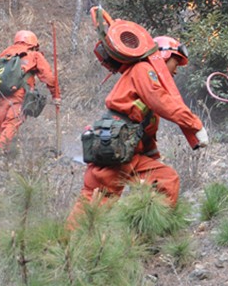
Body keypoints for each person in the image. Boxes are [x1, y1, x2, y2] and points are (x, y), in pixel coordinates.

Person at [68, 36, 207, 224]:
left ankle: (151, 231)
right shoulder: (144, 69)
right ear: (163, 56)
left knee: (166, 179)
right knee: (97, 201)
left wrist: (153, 159)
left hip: (128, 151)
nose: (176, 71)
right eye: (176, 62)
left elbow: (146, 132)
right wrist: (194, 124)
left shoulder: (149, 86)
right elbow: (162, 101)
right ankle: (72, 240)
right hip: (115, 146)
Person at [0, 30, 60, 151]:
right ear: (33, 44)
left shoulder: (5, 53)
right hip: (17, 96)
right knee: (11, 124)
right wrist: (56, 95)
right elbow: (49, 78)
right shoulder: (34, 55)